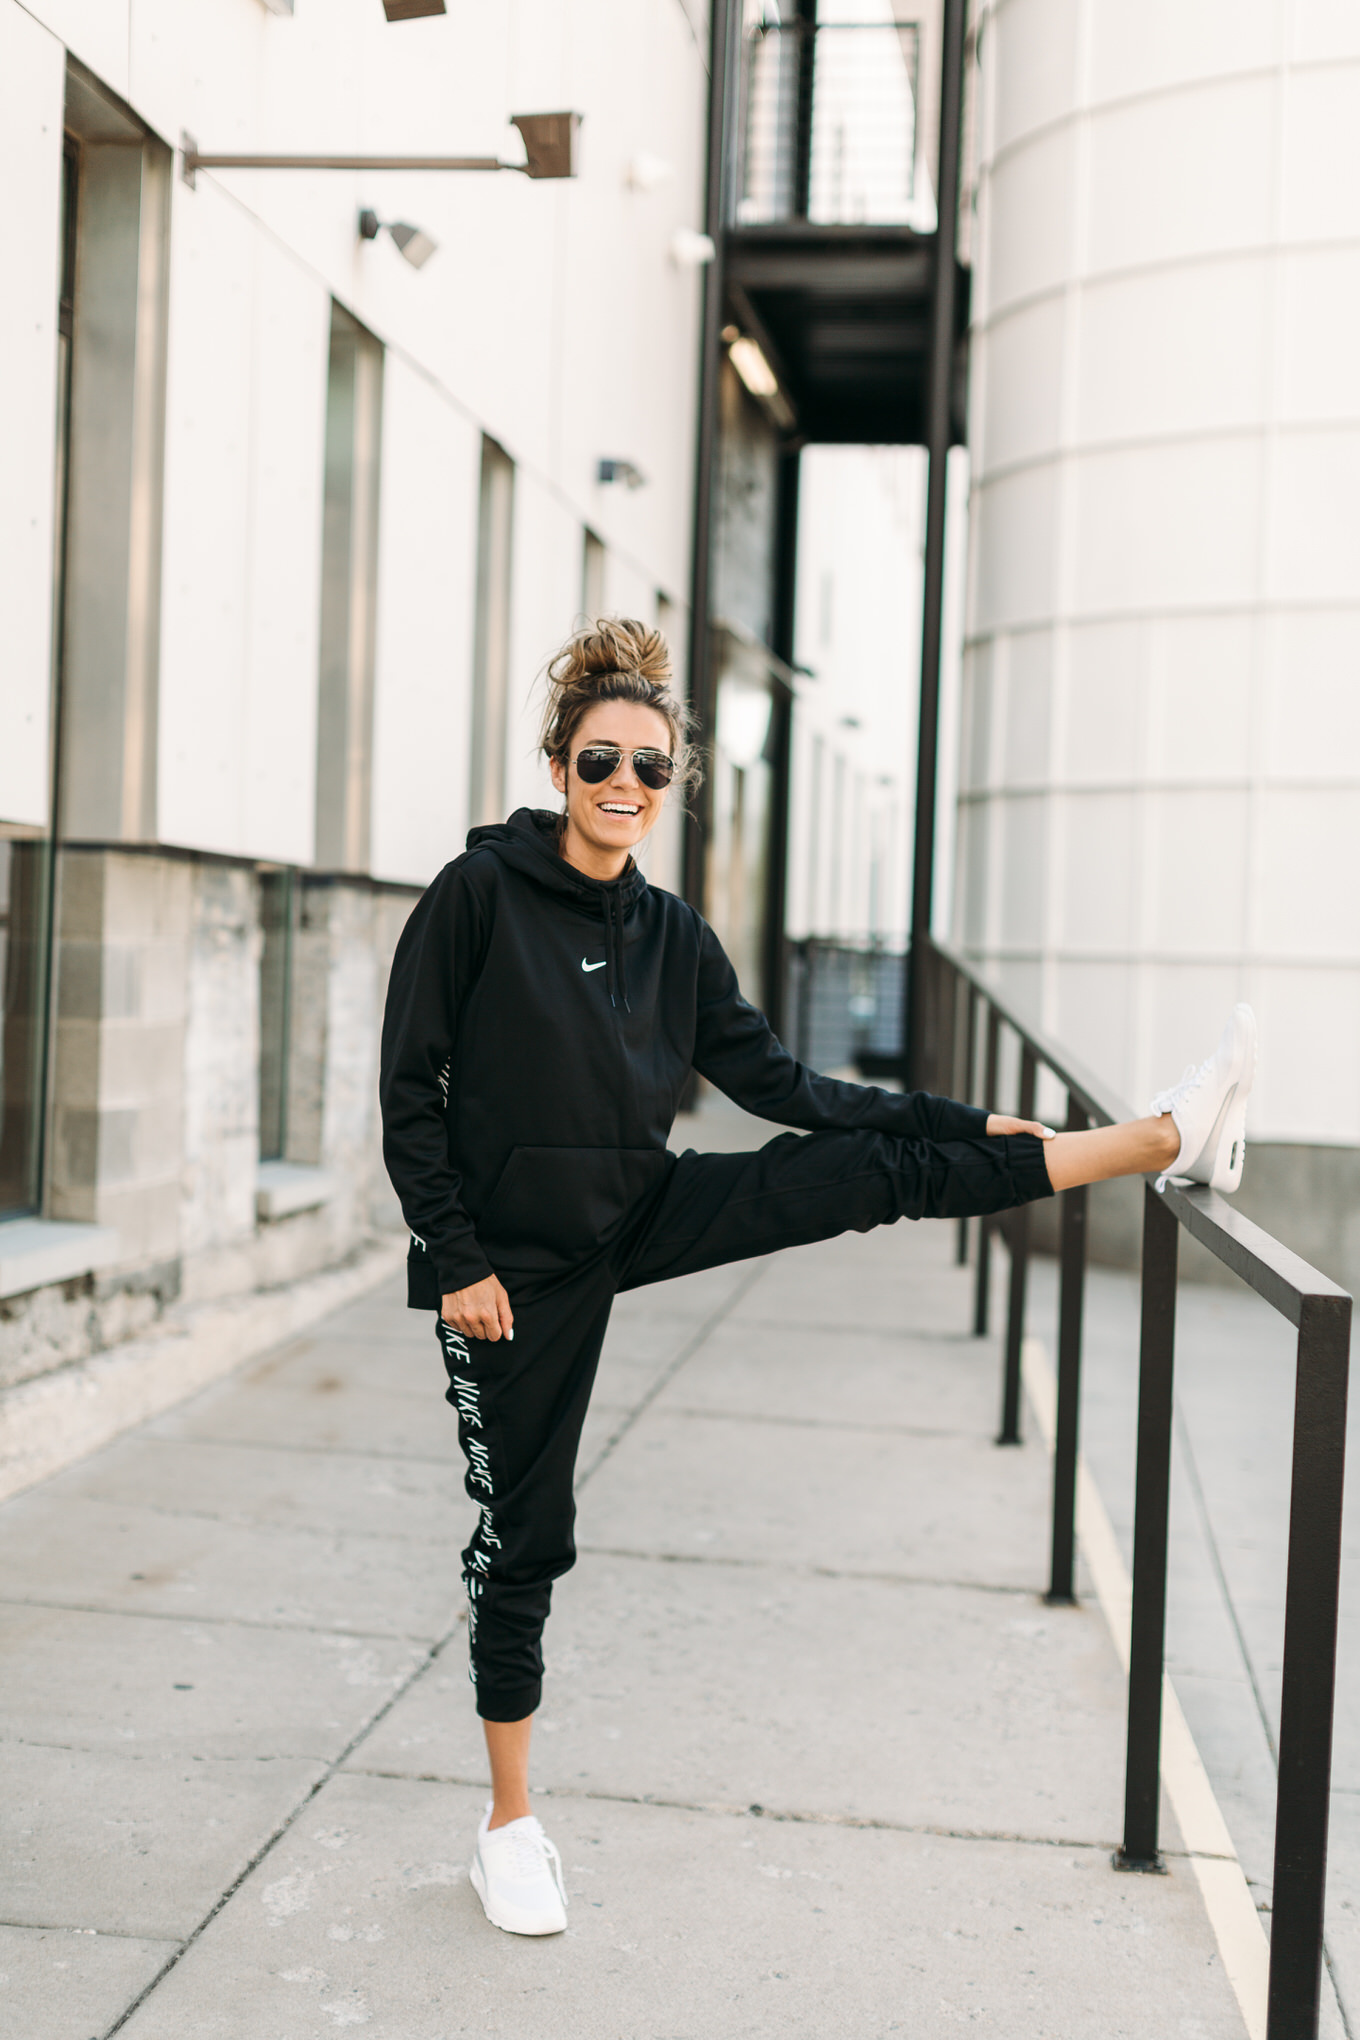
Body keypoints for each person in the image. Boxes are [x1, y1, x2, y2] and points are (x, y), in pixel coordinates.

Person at [379, 617, 1256, 1939]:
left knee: (866, 1170)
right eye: (600, 759)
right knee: (524, 1534)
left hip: (639, 1209)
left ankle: (1158, 1138)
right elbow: (409, 1093)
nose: (624, 783)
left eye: (650, 768)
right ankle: (509, 1828)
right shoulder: (476, 897)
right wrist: (458, 1261)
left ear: (670, 788)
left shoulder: (674, 936)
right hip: (513, 1271)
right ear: (559, 767)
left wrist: (954, 1120)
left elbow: (785, 1087)